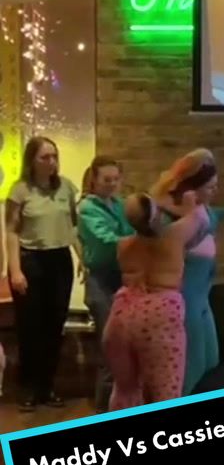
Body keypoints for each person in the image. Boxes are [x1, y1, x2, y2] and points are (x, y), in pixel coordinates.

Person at [151, 149, 224, 395]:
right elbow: (168, 242)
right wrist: (186, 213)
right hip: (184, 300)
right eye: (210, 187)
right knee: (191, 366)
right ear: (192, 189)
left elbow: (218, 215)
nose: (215, 191)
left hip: (201, 297)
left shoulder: (205, 212)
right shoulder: (173, 218)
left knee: (210, 360)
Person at [103, 191, 209, 410]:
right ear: (156, 213)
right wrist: (185, 202)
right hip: (158, 315)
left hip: (122, 314)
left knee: (125, 391)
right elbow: (200, 216)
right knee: (165, 397)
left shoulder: (124, 245)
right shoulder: (173, 237)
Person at [5, 136, 82, 412]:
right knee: (30, 327)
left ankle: (47, 386)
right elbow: (11, 231)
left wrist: (82, 257)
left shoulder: (65, 188)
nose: (51, 162)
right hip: (31, 260)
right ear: (32, 160)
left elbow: (73, 227)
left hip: (59, 259)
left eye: (54, 156)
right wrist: (15, 270)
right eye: (45, 157)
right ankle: (28, 387)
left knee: (54, 326)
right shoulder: (20, 190)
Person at [77, 156, 134, 412]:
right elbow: (105, 239)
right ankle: (103, 412)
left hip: (121, 278)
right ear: (94, 180)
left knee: (124, 348)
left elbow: (132, 227)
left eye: (115, 179)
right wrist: (139, 242)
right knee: (110, 349)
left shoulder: (119, 204)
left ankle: (120, 408)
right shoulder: (87, 207)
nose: (112, 184)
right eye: (106, 179)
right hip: (100, 281)